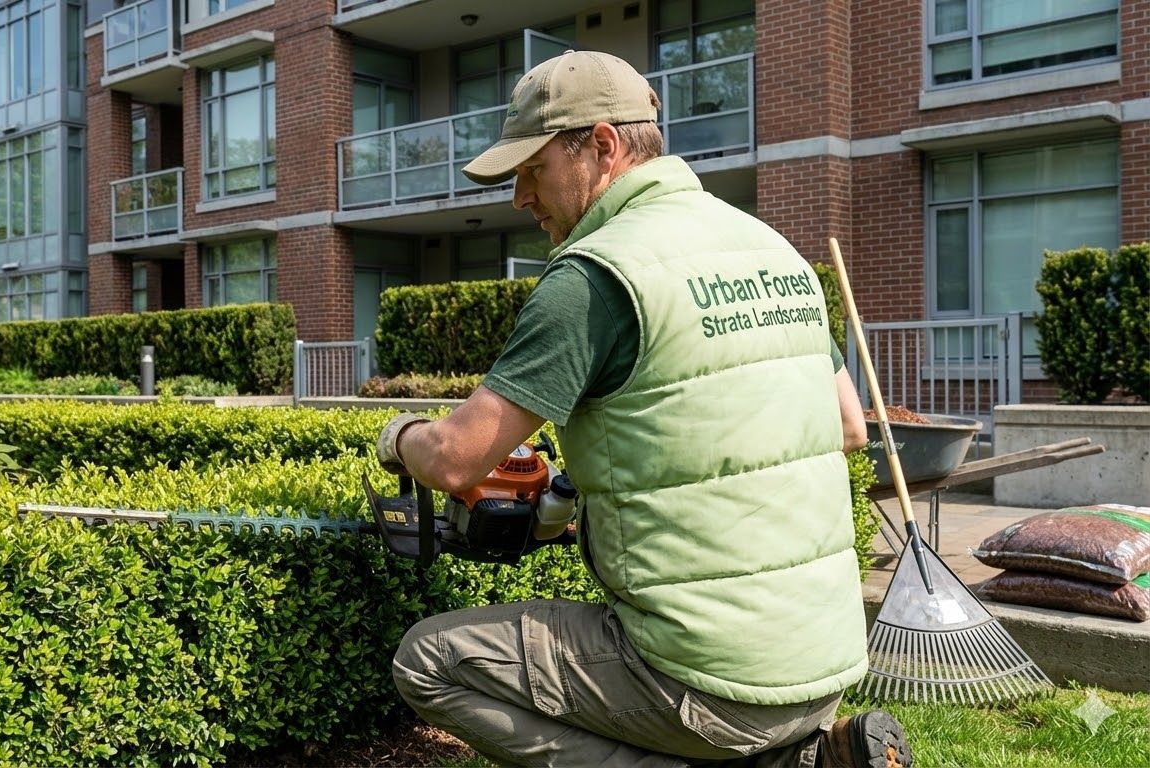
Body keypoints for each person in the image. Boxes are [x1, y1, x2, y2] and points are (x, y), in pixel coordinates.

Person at [374, 50, 911, 768]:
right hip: (826, 667)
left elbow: (454, 458)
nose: (519, 197)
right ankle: (801, 755)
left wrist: (399, 435)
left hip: (705, 682)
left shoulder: (595, 276)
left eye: (532, 169)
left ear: (601, 145)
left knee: (426, 661)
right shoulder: (773, 250)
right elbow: (848, 428)